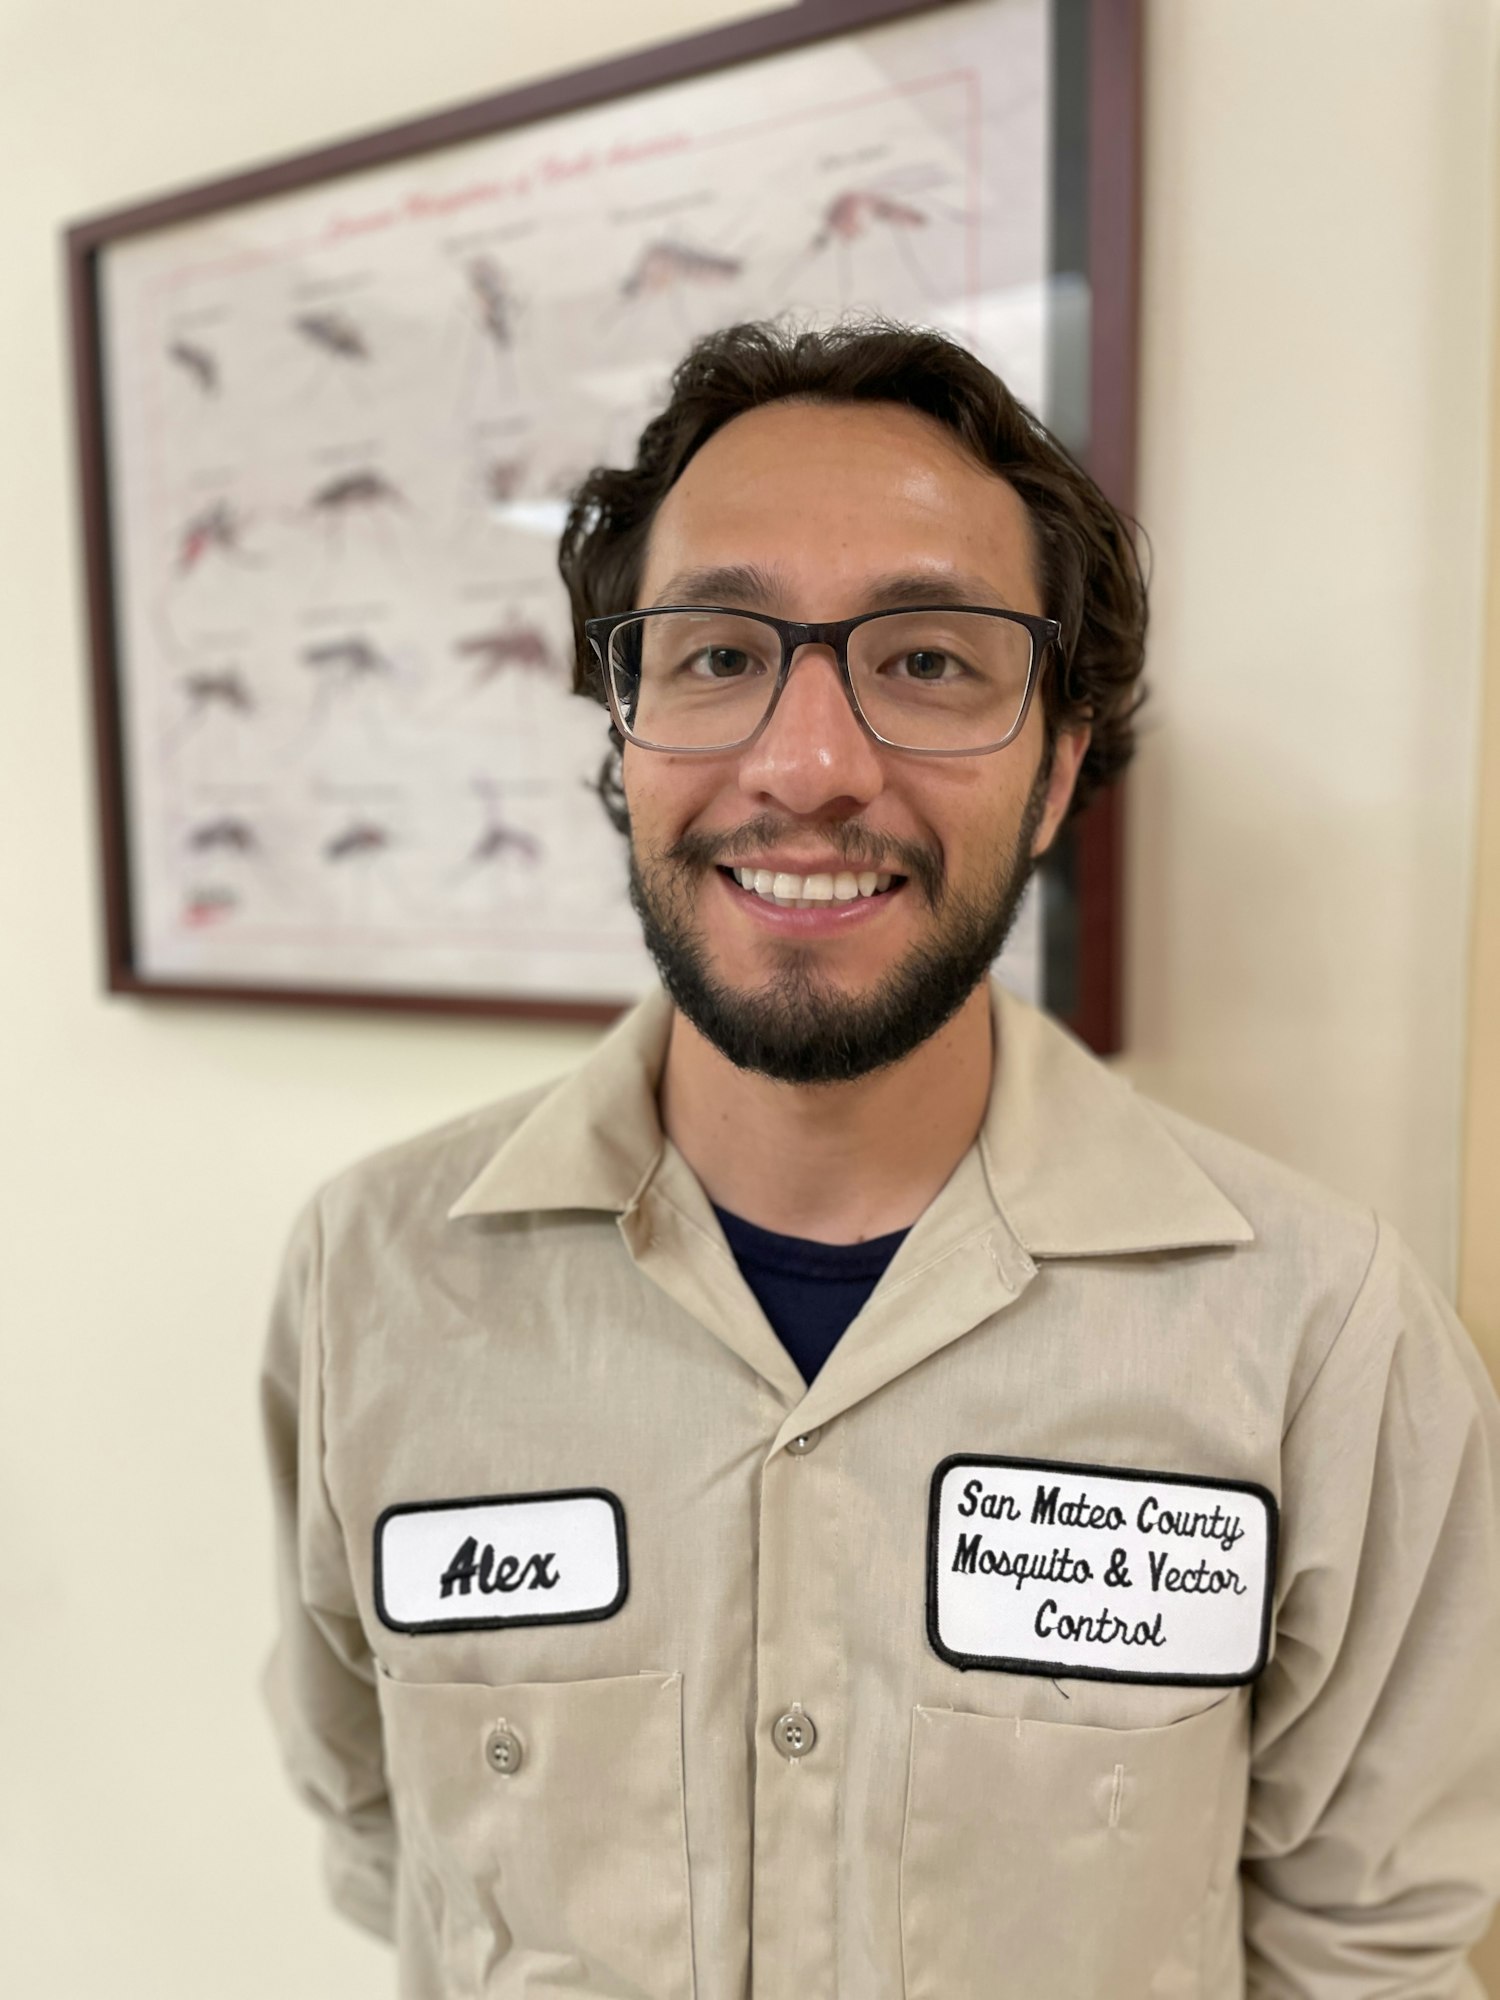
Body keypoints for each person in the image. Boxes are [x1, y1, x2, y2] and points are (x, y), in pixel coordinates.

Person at [261, 319, 1500, 1999]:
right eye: (715, 654)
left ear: (1058, 768)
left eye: (927, 661)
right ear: (622, 734)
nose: (808, 765)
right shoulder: (374, 1275)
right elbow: (376, 1821)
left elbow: (1378, 1936)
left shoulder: (1321, 1334)